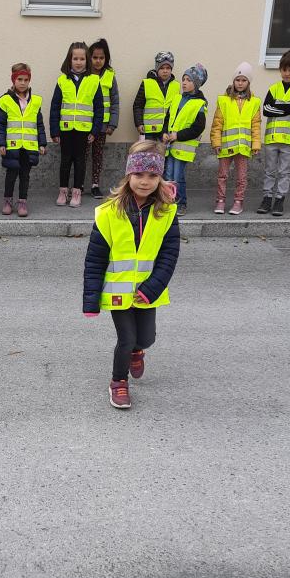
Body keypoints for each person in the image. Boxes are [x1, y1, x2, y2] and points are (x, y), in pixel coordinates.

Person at [82, 140, 180, 410]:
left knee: (145, 338)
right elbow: (95, 260)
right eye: (138, 174)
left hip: (148, 291)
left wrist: (152, 288)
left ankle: (138, 351)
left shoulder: (167, 213)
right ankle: (118, 382)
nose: (145, 181)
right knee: (126, 339)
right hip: (118, 292)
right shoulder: (108, 213)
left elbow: (169, 256)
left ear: (159, 178)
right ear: (128, 175)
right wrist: (90, 300)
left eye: (152, 175)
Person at [50, 42, 103, 208]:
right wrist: (54, 131)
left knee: (80, 161)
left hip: (84, 130)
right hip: (66, 129)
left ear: (87, 60)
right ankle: (63, 191)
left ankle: (76, 192)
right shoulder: (62, 80)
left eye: (82, 59)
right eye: (75, 59)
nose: (78, 62)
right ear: (69, 60)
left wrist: (95, 130)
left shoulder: (94, 80)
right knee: (65, 161)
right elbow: (55, 107)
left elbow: (99, 108)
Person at [258, 50, 290, 217]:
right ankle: (266, 198)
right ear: (280, 70)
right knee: (269, 170)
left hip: (288, 139)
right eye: (284, 69)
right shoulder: (273, 88)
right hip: (272, 138)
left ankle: (279, 199)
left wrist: (277, 105)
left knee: (284, 171)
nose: (287, 73)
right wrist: (285, 106)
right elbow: (266, 110)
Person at [0, 63, 47, 218]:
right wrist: (0, 143)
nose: (23, 83)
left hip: (29, 146)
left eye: (26, 80)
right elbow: (0, 124)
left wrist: (42, 143)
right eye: (19, 79)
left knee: (25, 175)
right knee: (11, 174)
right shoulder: (4, 101)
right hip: (12, 146)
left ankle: (22, 202)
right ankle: (7, 201)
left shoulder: (35, 101)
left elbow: (39, 125)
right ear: (13, 80)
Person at [210, 62, 261, 215]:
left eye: (244, 80)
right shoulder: (224, 100)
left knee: (241, 177)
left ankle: (238, 202)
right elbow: (217, 123)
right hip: (226, 146)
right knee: (222, 175)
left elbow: (256, 125)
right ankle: (220, 201)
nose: (240, 83)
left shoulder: (254, 102)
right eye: (237, 80)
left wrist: (256, 144)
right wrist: (216, 142)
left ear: (248, 82)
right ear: (233, 81)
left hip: (243, 147)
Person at [163, 64, 208, 216]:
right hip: (170, 145)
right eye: (183, 79)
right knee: (168, 175)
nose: (184, 83)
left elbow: (198, 128)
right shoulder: (177, 98)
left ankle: (181, 203)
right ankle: (168, 201)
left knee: (178, 176)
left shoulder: (199, 104)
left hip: (183, 147)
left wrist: (178, 135)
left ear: (196, 84)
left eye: (189, 80)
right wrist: (165, 132)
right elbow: (168, 118)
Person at [88, 38, 120, 198]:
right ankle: (79, 185)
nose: (98, 61)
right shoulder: (85, 76)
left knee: (98, 155)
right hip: (85, 124)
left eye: (101, 57)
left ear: (106, 58)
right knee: (82, 156)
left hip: (102, 126)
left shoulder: (109, 76)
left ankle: (95, 185)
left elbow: (115, 101)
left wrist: (112, 124)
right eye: (95, 57)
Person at [132, 51, 180, 141]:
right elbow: (138, 105)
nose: (165, 71)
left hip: (166, 131)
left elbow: (177, 109)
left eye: (168, 68)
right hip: (148, 131)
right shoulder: (147, 83)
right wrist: (139, 123)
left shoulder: (176, 85)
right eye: (162, 68)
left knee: (163, 151)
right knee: (148, 150)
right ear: (157, 68)